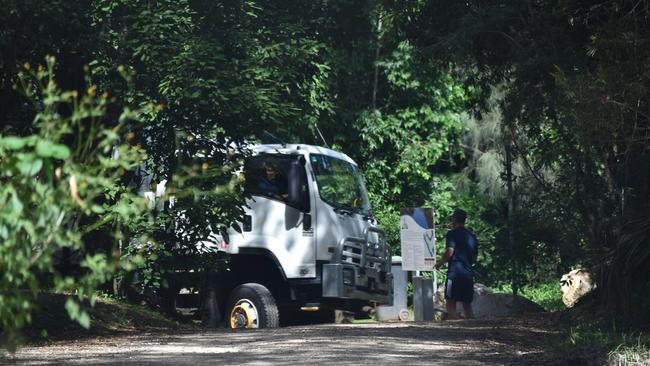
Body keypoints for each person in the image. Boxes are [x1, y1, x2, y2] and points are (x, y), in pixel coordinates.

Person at [434, 209, 478, 320]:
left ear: (454, 219)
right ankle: (472, 329)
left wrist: (440, 262)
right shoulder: (472, 236)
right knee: (467, 305)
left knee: (450, 302)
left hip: (454, 273)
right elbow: (474, 259)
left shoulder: (452, 234)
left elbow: (450, 251)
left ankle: (457, 328)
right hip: (468, 274)